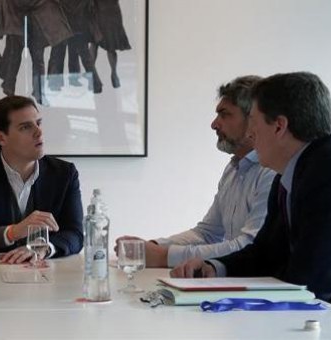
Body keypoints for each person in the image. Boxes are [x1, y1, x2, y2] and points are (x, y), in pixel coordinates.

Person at [171, 72, 331, 318]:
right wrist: (215, 267)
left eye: (254, 121)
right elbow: (266, 251)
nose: (250, 133)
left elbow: (314, 281)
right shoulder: (294, 171)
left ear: (279, 126)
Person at [116, 76, 275, 268]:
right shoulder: (233, 169)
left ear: (252, 120)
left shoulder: (271, 173)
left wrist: (163, 256)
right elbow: (207, 233)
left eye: (224, 114)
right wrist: (153, 246)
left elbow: (249, 246)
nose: (214, 124)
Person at [0, 95, 83, 264]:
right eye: (26, 127)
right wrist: (13, 232)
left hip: (47, 275)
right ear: (1, 138)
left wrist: (45, 247)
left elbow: (75, 234)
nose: (39, 132)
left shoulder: (64, 174)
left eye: (39, 123)